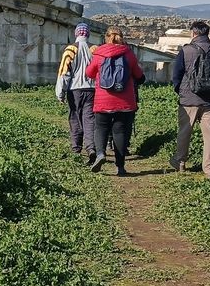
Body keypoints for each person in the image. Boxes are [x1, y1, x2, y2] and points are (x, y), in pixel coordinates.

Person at [170, 21, 210, 179]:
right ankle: (209, 170)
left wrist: (181, 91)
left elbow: (176, 75)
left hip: (189, 99)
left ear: (193, 33)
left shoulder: (186, 50)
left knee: (184, 131)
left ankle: (180, 162)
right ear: (207, 33)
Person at [84, 26, 145, 176]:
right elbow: (139, 75)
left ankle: (100, 154)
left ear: (106, 37)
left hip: (103, 100)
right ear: (121, 37)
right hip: (124, 101)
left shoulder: (99, 53)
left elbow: (89, 73)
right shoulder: (128, 53)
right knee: (120, 132)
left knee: (101, 128)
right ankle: (120, 166)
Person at [56, 23, 98, 159]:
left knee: (74, 117)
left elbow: (64, 72)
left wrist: (60, 92)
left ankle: (76, 148)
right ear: (88, 34)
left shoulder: (70, 49)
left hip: (74, 90)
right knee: (89, 119)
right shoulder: (94, 49)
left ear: (76, 34)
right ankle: (91, 147)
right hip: (92, 89)